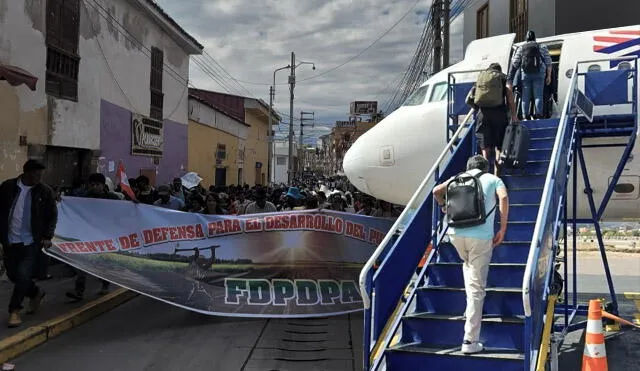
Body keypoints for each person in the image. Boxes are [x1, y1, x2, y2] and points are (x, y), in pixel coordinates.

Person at [432, 155, 509, 354]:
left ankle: (469, 309)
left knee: (468, 266)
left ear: (469, 167)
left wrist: (443, 207)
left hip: (456, 234)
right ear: (486, 166)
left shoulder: (458, 178)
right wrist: (503, 228)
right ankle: (470, 341)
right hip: (481, 237)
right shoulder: (493, 179)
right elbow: (503, 197)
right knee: (477, 287)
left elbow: (436, 191)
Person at [0, 160, 58, 327]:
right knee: (13, 276)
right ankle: (35, 293)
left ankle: (14, 311)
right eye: (36, 174)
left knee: (24, 275)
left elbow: (52, 215)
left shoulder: (44, 191)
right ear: (26, 173)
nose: (39, 177)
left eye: (41, 174)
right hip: (10, 241)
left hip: (31, 241)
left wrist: (47, 236)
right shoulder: (7, 187)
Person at [66, 173, 119, 301]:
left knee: (104, 263)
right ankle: (79, 291)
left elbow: (122, 211)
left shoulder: (112, 198)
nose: (94, 187)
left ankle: (105, 285)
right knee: (82, 264)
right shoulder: (83, 198)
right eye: (92, 184)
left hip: (105, 237)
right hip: (87, 236)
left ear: (103, 185)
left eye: (97, 184)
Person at [467, 63, 519, 175]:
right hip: (500, 114)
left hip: (483, 115)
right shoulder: (502, 78)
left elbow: (469, 99)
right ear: (499, 70)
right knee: (499, 145)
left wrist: (478, 107)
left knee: (485, 147)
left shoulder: (482, 80)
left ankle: (485, 174)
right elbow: (510, 98)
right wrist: (514, 115)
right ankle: (497, 173)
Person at [507, 30, 553, 120]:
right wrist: (549, 76)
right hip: (539, 74)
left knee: (525, 96)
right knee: (538, 95)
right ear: (535, 38)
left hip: (526, 74)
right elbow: (548, 63)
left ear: (526, 38)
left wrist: (510, 79)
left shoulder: (521, 48)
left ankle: (525, 116)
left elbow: (515, 63)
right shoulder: (542, 47)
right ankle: (539, 115)